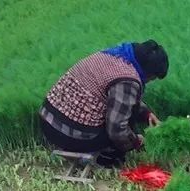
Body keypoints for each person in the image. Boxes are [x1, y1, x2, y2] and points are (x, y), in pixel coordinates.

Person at [39, 40, 168, 166]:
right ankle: (107, 157)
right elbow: (117, 130)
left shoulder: (113, 55)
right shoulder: (127, 80)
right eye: (153, 77)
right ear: (148, 71)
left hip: (48, 120)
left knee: (124, 109)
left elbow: (124, 99)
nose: (150, 81)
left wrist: (147, 114)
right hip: (68, 133)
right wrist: (136, 142)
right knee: (126, 118)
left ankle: (75, 147)